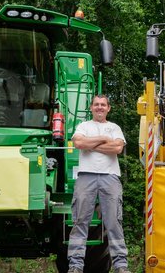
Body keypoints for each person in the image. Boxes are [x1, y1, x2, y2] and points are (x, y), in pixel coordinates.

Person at [67, 95, 130, 273]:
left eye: (103, 105)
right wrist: (103, 139)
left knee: (114, 222)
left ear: (108, 108)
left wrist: (91, 144)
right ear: (91, 108)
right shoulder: (83, 126)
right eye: (96, 105)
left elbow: (117, 148)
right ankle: (75, 266)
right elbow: (78, 142)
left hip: (110, 177)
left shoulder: (114, 127)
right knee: (80, 221)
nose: (100, 107)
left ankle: (121, 266)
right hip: (85, 177)